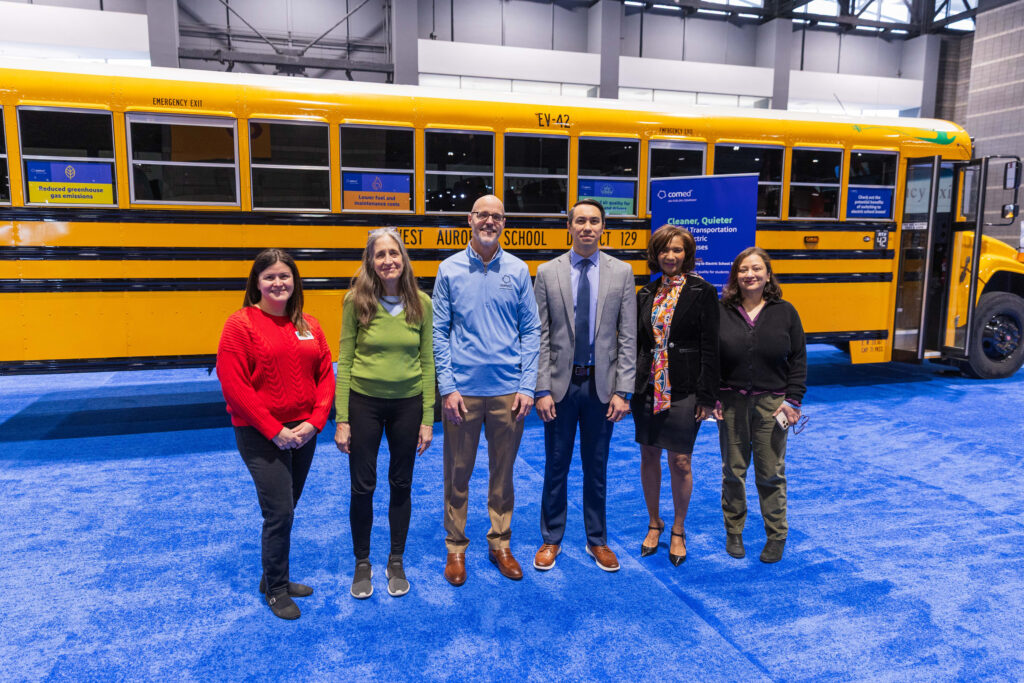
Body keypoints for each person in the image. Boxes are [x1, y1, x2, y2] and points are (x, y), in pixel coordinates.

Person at [216, 248, 334, 620]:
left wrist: (315, 422)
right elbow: (234, 385)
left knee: (287, 507)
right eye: (270, 277)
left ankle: (272, 576)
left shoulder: (309, 325)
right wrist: (274, 430)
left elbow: (325, 375)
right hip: (260, 434)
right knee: (279, 512)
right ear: (257, 283)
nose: (278, 282)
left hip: (303, 434)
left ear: (295, 282)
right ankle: (277, 590)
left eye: (285, 276)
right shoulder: (241, 324)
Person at [433, 194, 541, 586]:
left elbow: (531, 331)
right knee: (457, 474)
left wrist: (526, 385)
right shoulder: (448, 270)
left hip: (507, 393)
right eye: (482, 214)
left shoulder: (517, 268)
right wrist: (447, 388)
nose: (489, 221)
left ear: (504, 223)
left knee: (503, 473)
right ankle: (456, 547)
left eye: (496, 216)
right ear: (469, 219)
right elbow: (439, 333)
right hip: (462, 393)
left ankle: (500, 543)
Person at [533, 199, 636, 573]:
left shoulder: (622, 272)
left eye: (594, 221)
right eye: (581, 221)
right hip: (560, 388)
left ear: (603, 228)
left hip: (601, 387)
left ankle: (597, 541)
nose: (587, 227)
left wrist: (624, 391)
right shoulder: (547, 272)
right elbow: (540, 335)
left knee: (597, 465)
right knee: (556, 464)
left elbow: (627, 337)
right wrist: (541, 389)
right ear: (570, 227)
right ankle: (551, 539)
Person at [334, 228, 434, 599]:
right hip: (364, 403)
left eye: (395, 253)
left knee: (401, 484)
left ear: (403, 259)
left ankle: (396, 559)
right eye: (381, 255)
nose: (389, 260)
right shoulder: (355, 301)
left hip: (408, 404)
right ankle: (363, 563)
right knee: (362, 486)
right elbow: (344, 362)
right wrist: (341, 418)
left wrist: (427, 418)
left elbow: (427, 362)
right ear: (370, 261)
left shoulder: (421, 302)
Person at [713, 247, 806, 564]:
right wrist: (712, 396)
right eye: (743, 269)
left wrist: (793, 401)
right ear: (735, 276)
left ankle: (776, 536)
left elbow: (798, 360)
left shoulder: (786, 312)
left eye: (756, 269)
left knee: (771, 474)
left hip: (773, 406)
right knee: (733, 472)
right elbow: (709, 358)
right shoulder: (722, 310)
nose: (749, 275)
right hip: (731, 403)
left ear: (768, 275)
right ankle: (734, 531)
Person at [633, 225, 719, 566]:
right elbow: (640, 343)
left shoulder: (703, 291)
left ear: (688, 254)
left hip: (685, 388)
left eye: (678, 250)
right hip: (647, 389)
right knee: (649, 456)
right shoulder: (645, 292)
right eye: (665, 250)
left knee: (680, 460)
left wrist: (707, 398)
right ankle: (654, 523)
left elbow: (711, 346)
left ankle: (679, 529)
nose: (671, 256)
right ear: (656, 254)